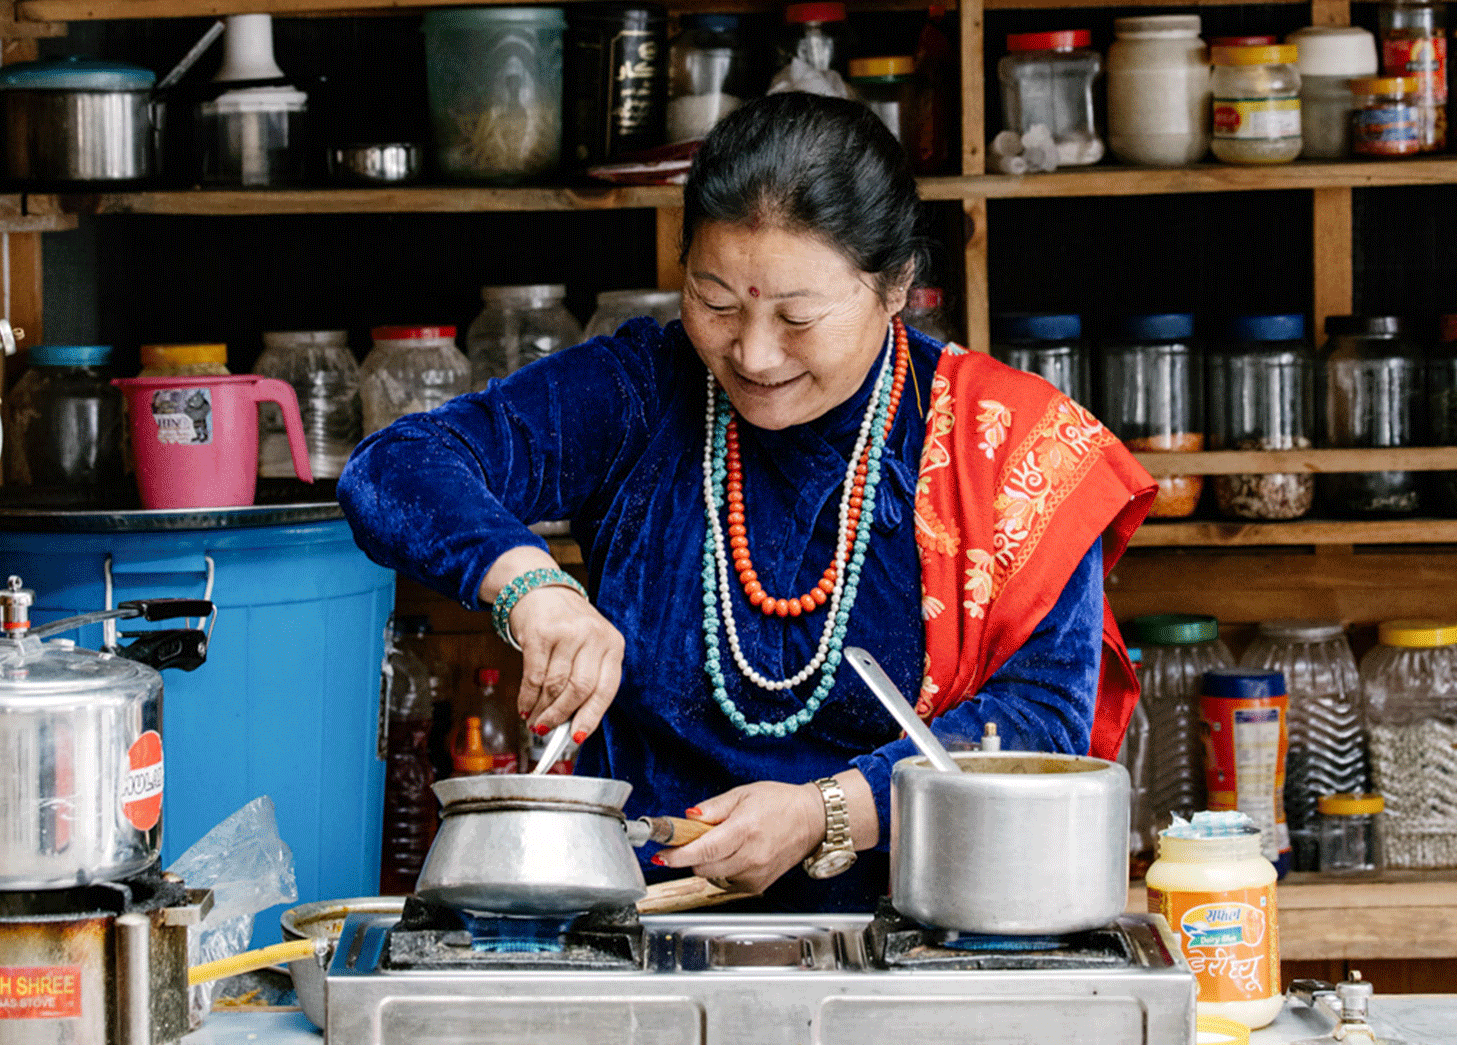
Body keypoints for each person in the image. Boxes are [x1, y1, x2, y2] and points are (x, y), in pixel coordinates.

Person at [339, 92, 1155, 911]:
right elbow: (394, 466)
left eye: (798, 317)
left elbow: (1045, 720)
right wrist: (531, 586)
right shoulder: (642, 393)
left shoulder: (1007, 447)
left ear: (898, 282)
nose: (755, 354)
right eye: (716, 302)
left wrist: (826, 813)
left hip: (916, 935)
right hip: (640, 933)